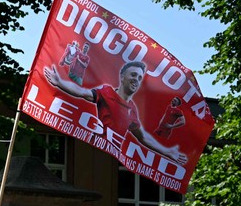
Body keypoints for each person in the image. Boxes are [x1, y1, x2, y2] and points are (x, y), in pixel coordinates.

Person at [42, 60, 188, 165]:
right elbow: (82, 92)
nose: (136, 80)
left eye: (139, 77)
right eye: (133, 75)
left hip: (111, 158)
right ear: (122, 77)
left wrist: (167, 151)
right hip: (94, 152)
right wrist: (60, 83)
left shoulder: (132, 109)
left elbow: (143, 138)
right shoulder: (106, 92)